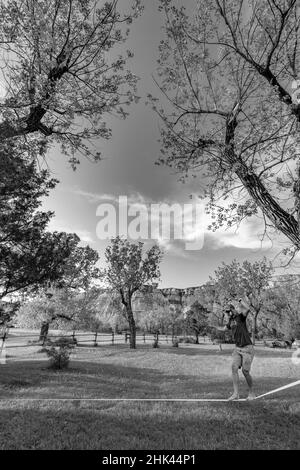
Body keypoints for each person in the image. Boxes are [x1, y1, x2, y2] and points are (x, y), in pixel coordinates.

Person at [222, 298, 256, 401]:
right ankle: (236, 394)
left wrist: (240, 301)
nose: (226, 314)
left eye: (227, 311)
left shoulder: (240, 317)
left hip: (247, 348)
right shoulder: (230, 322)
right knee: (234, 368)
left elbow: (248, 308)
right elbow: (224, 328)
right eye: (225, 312)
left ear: (232, 311)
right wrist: (213, 327)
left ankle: (252, 393)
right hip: (237, 349)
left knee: (245, 372)